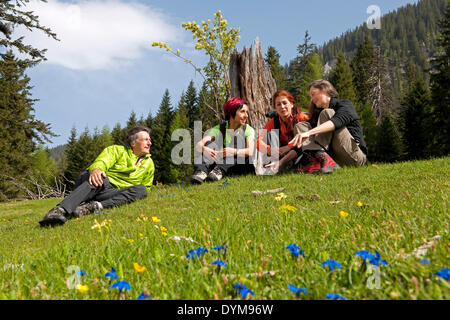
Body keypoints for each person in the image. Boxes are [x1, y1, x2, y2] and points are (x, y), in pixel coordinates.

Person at [39, 126, 155, 227]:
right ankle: (59, 210)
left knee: (142, 190)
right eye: (145, 139)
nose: (149, 143)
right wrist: (97, 170)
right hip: (98, 183)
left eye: (149, 140)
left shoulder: (149, 164)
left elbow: (147, 187)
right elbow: (102, 162)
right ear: (133, 143)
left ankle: (91, 207)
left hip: (113, 193)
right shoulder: (117, 150)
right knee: (100, 176)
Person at [290, 80, 367, 174]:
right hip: (335, 160)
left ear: (324, 90)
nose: (311, 99)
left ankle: (322, 160)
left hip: (354, 157)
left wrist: (309, 133)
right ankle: (320, 161)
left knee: (327, 113)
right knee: (301, 126)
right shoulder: (318, 115)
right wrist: (281, 162)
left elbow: (336, 121)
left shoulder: (344, 104)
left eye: (313, 94)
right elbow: (300, 143)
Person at [191, 97, 255, 184]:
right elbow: (199, 144)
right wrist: (205, 149)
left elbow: (250, 151)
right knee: (209, 144)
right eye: (242, 111)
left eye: (246, 112)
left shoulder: (247, 129)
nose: (246, 115)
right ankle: (201, 172)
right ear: (232, 112)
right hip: (226, 168)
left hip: (241, 167)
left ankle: (219, 170)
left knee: (239, 140)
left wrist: (234, 151)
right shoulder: (220, 128)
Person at [256, 90, 310, 173]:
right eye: (278, 104)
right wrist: (269, 150)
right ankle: (274, 164)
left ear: (291, 104)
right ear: (275, 108)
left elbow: (310, 139)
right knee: (270, 135)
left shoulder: (302, 118)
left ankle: (283, 164)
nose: (282, 106)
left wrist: (288, 147)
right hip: (282, 152)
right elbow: (259, 140)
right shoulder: (274, 122)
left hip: (301, 151)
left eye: (285, 103)